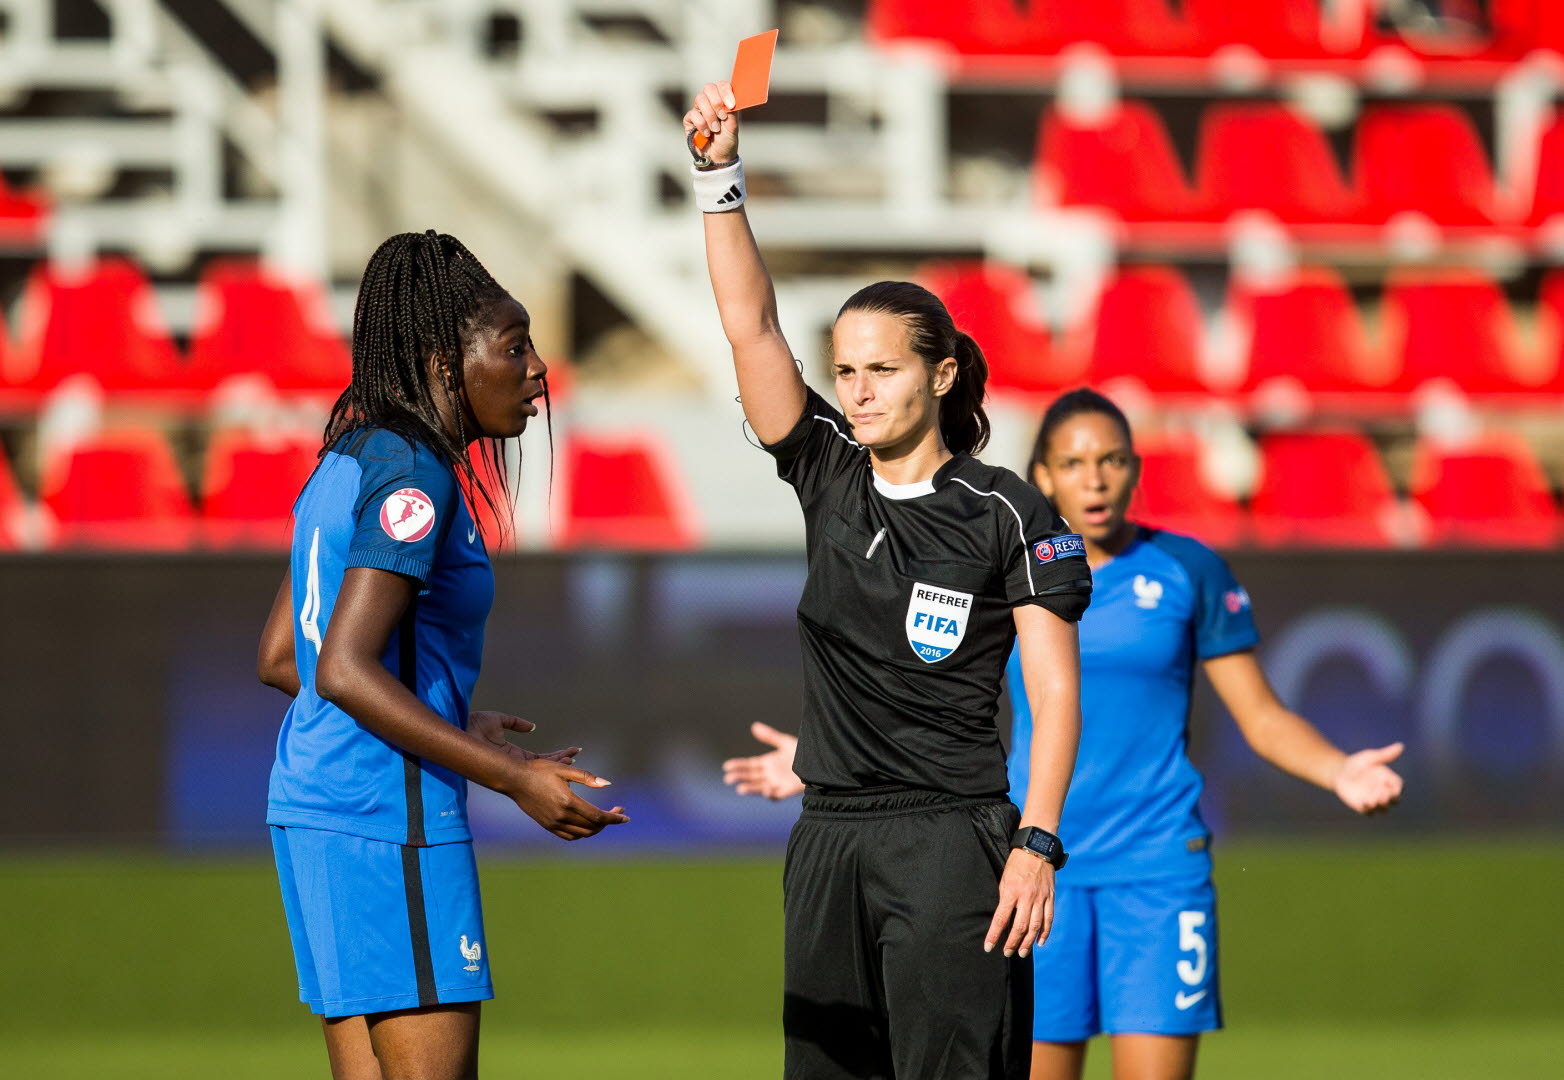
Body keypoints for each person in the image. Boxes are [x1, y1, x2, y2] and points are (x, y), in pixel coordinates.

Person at [724, 387, 1406, 1080]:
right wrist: (819, 764)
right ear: (1042, 477)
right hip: (1029, 867)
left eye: (1111, 460)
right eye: (1073, 463)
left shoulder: (1187, 569)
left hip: (1157, 869)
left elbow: (1261, 715)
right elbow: (928, 700)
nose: (1096, 478)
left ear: (1135, 468)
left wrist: (1337, 770)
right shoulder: (998, 556)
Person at [684, 83, 1093, 1080]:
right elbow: (750, 328)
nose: (857, 391)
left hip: (954, 843)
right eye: (847, 371)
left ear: (942, 374)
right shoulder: (826, 471)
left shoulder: (1005, 510)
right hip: (827, 841)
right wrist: (716, 175)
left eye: (882, 370)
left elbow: (1051, 691)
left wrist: (1035, 842)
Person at [256, 230, 629, 1080]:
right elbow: (342, 667)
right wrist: (514, 778)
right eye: (514, 346)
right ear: (442, 362)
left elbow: (285, 655)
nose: (538, 368)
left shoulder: (347, 455)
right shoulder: (415, 478)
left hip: (313, 812)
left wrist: (451, 716)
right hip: (390, 822)